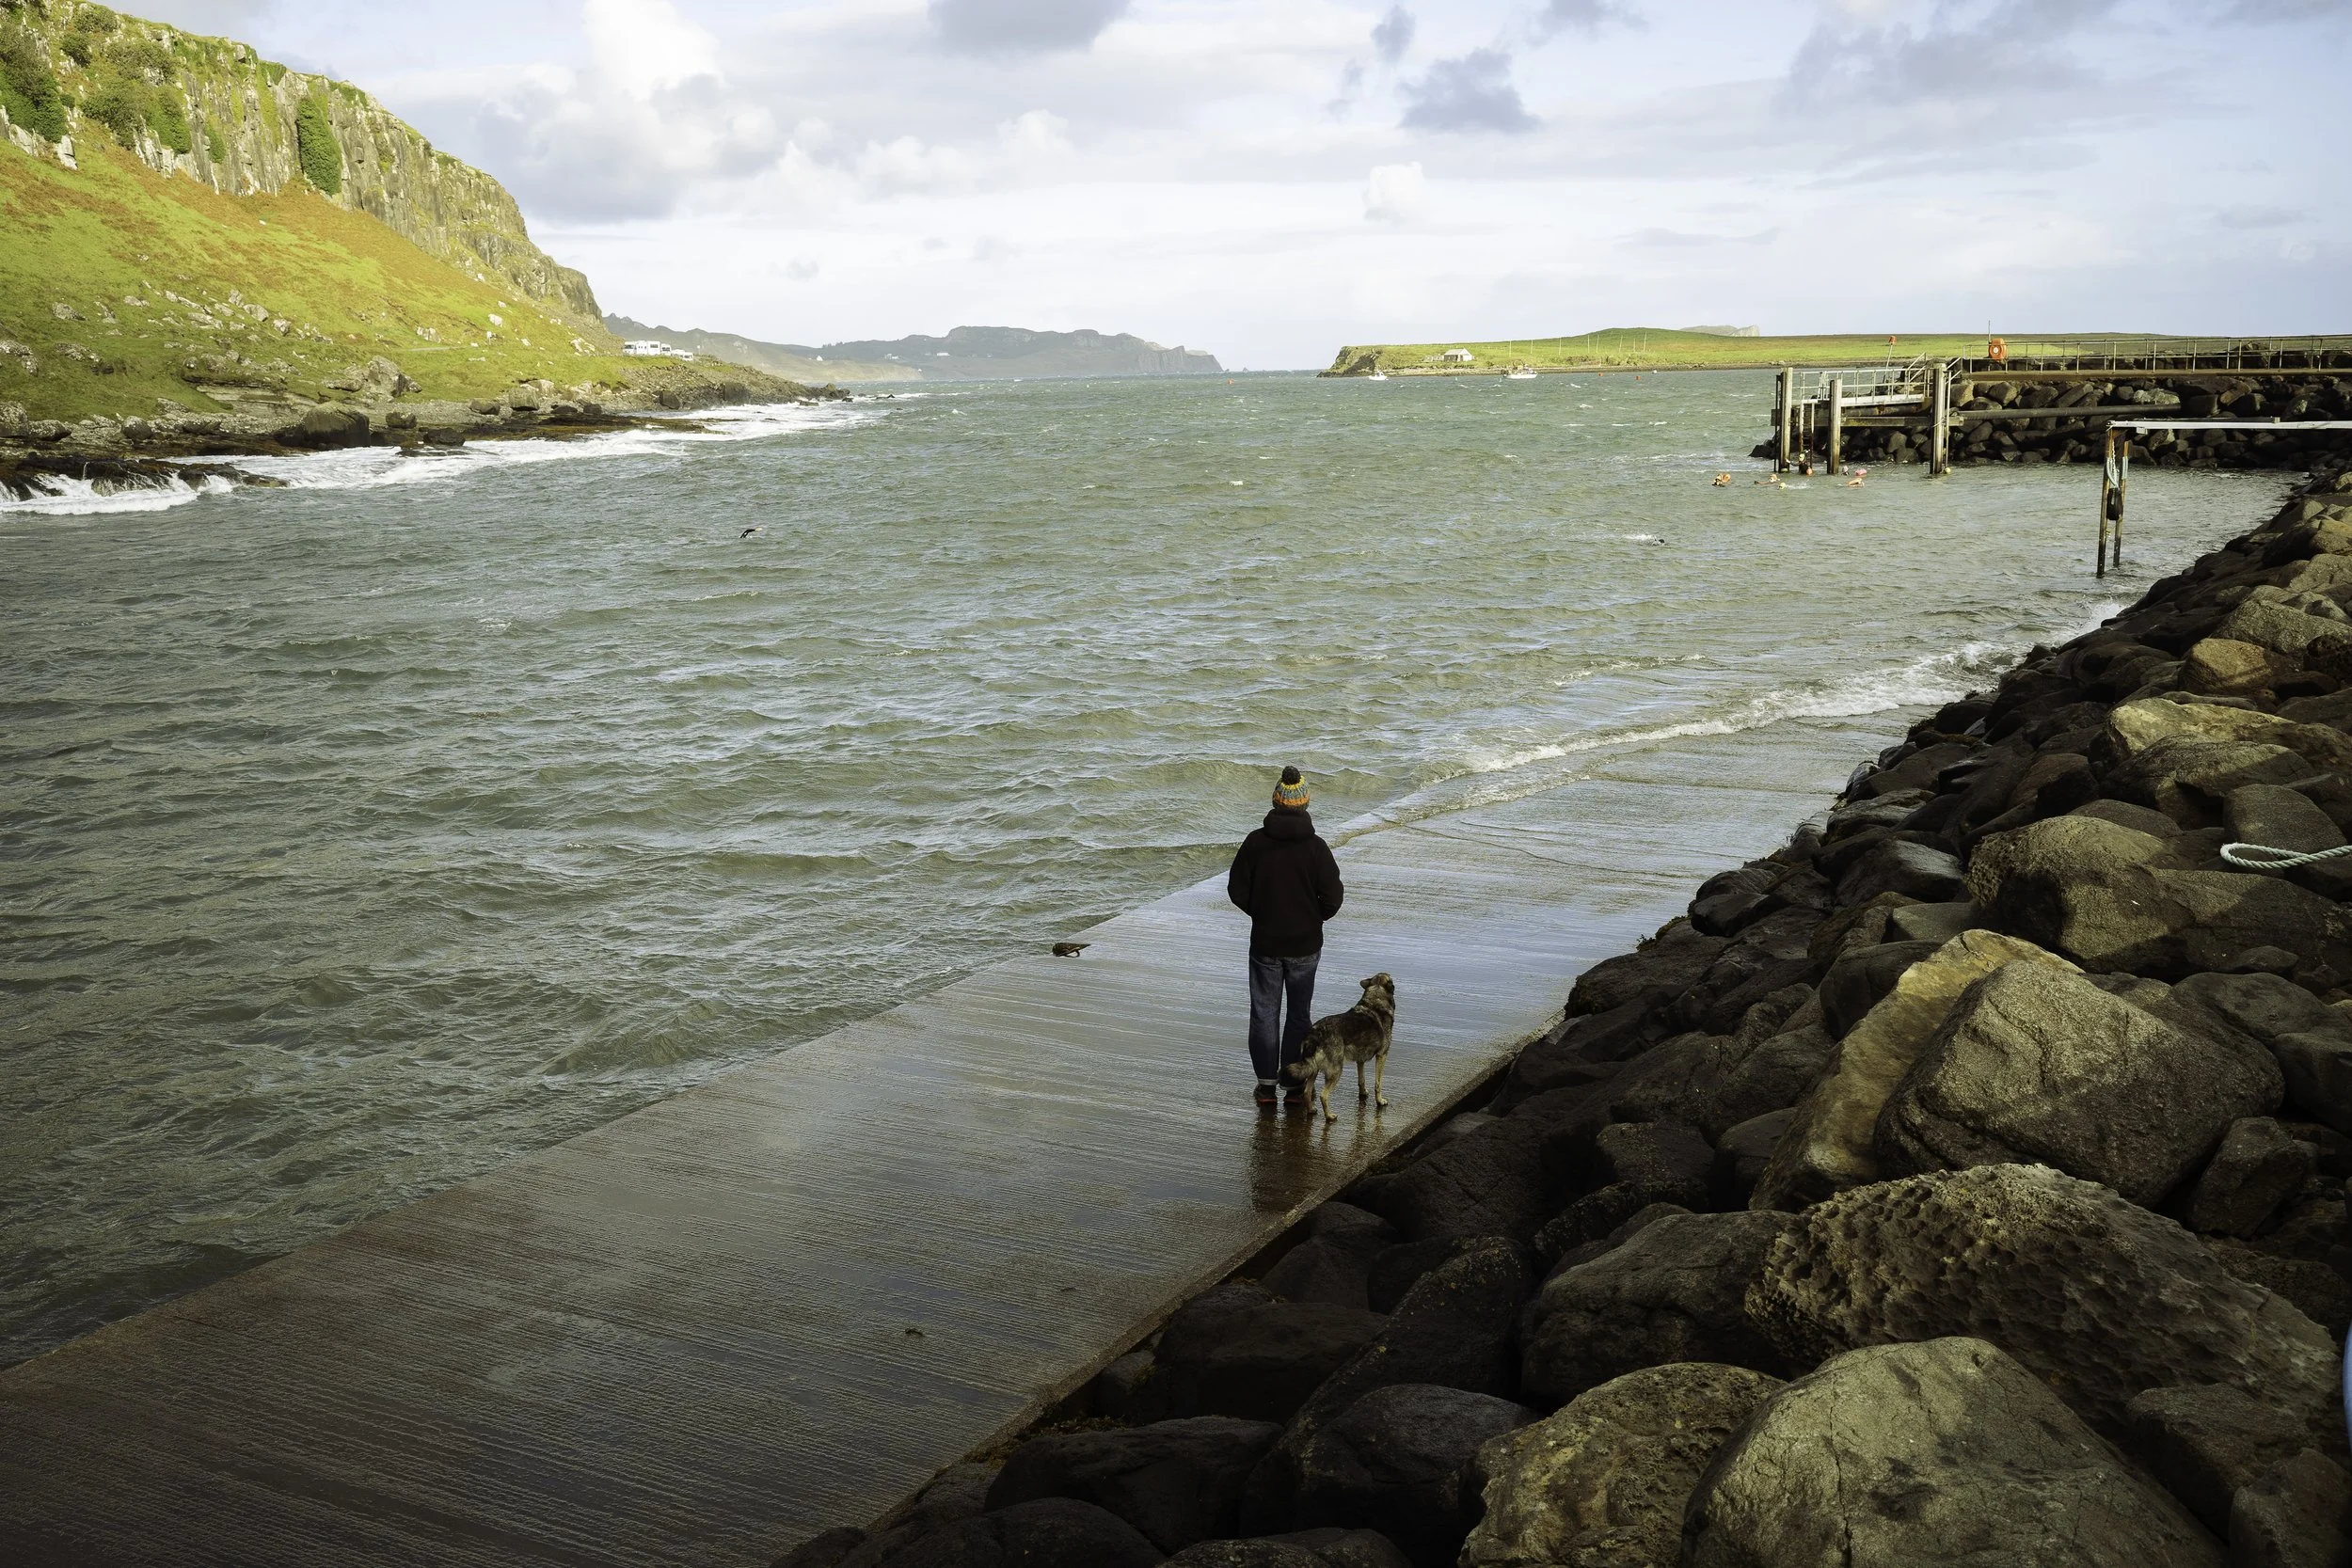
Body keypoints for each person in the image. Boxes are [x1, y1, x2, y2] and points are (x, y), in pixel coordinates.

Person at [1227, 767, 1344, 1106]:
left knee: (1264, 1012)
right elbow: (1334, 897)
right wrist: (1312, 918)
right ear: (1305, 803)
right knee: (1299, 1015)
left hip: (1266, 941)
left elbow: (1237, 889)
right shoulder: (1317, 848)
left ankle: (1266, 1087)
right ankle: (1294, 1087)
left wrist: (1261, 913)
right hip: (1305, 944)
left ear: (1276, 802)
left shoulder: (1255, 843)